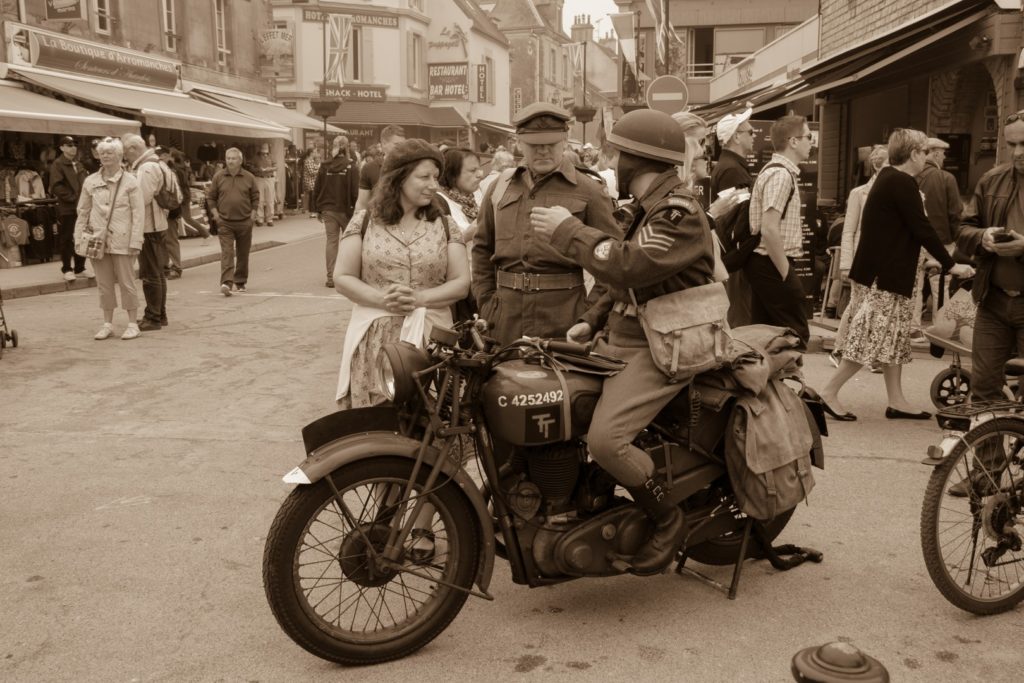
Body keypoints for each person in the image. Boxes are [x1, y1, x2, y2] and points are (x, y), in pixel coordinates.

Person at [529, 109, 715, 576]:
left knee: (606, 441)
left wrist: (567, 231)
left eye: (618, 153)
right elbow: (622, 286)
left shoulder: (679, 213)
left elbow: (631, 265)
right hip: (625, 338)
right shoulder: (644, 206)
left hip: (663, 345)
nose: (613, 161)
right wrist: (591, 322)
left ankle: (666, 517)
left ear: (639, 158)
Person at [818, 129, 974, 422]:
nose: (928, 158)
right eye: (925, 152)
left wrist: (926, 260)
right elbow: (922, 227)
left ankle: (897, 400)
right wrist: (950, 263)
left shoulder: (889, 178)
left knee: (894, 338)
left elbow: (898, 230)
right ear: (914, 153)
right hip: (886, 277)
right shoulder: (902, 182)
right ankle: (828, 391)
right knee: (870, 338)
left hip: (883, 273)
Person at [333, 138, 469, 407]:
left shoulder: (445, 224)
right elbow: (343, 277)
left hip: (431, 341)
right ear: (399, 177)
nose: (434, 185)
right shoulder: (364, 221)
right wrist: (383, 299)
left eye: (436, 177)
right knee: (379, 423)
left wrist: (419, 298)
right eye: (424, 177)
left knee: (431, 423)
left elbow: (461, 282)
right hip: (376, 341)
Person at [471, 102, 619, 345]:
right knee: (500, 382)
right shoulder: (499, 187)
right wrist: (487, 302)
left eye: (551, 144)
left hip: (563, 317)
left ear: (565, 141)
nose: (543, 152)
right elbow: (481, 249)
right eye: (535, 145)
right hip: (505, 319)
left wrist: (589, 316)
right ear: (518, 143)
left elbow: (612, 262)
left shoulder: (589, 190)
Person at [950, 111, 1024, 496]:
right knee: (983, 388)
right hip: (994, 300)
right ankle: (985, 473)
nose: (1017, 152)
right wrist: (983, 237)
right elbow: (961, 230)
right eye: (1011, 144)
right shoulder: (992, 180)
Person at [743, 115, 813, 344]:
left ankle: (764, 380)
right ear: (793, 141)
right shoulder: (781, 174)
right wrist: (787, 274)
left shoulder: (777, 171)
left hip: (766, 262)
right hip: (771, 263)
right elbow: (769, 229)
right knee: (795, 335)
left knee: (767, 338)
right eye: (808, 137)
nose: (812, 142)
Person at [75, 137, 145, 340]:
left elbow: (138, 214)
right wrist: (79, 239)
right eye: (102, 152)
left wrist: (136, 241)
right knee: (103, 284)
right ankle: (107, 323)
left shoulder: (130, 182)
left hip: (123, 239)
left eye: (110, 152)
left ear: (119, 156)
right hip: (97, 240)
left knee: (127, 282)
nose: (105, 156)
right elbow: (83, 211)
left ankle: (132, 323)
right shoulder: (91, 181)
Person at [831, 144, 888, 366]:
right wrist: (845, 264)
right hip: (861, 257)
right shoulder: (859, 193)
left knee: (879, 307)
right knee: (857, 305)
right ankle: (841, 348)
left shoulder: (902, 191)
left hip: (886, 259)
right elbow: (849, 229)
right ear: (876, 165)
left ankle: (873, 355)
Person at [711, 108, 756, 326]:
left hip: (731, 257)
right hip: (734, 259)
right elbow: (734, 222)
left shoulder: (731, 166)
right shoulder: (732, 170)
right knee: (738, 320)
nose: (754, 135)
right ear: (736, 136)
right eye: (750, 132)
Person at [915, 136, 963, 332]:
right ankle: (940, 328)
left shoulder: (911, 176)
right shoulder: (946, 178)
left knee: (915, 285)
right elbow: (955, 212)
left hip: (914, 239)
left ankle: (912, 327)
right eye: (943, 154)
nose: (944, 158)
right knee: (940, 284)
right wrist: (955, 239)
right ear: (935, 153)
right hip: (941, 239)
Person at [123, 134, 170, 330]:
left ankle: (153, 316)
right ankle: (160, 314)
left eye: (126, 153)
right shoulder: (155, 163)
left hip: (149, 227)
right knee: (157, 272)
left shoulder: (146, 168)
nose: (126, 157)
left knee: (151, 274)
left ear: (134, 149)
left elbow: (140, 199)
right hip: (156, 224)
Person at [207, 148, 259, 296]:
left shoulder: (249, 177)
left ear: (240, 160)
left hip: (244, 221)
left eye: (233, 158)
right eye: (228, 158)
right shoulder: (218, 177)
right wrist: (216, 216)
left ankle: (240, 281)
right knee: (227, 253)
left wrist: (252, 217)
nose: (230, 161)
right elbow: (211, 197)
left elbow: (255, 197)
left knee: (243, 253)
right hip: (225, 222)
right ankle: (227, 283)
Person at [312, 135, 359, 289]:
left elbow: (317, 187)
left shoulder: (325, 166)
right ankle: (349, 275)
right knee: (350, 242)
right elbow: (354, 191)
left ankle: (331, 277)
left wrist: (317, 209)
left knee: (331, 241)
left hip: (328, 208)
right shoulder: (351, 166)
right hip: (346, 210)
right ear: (346, 148)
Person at [49, 135, 91, 281]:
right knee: (66, 238)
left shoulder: (78, 164)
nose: (73, 147)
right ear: (61, 147)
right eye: (68, 145)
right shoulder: (58, 164)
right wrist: (73, 198)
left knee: (82, 237)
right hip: (67, 208)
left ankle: (80, 267)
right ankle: (67, 269)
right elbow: (56, 186)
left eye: (74, 145)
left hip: (82, 208)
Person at [354, 125, 407, 213]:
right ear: (384, 144)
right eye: (397, 144)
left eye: (404, 145)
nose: (402, 148)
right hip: (378, 221)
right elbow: (362, 203)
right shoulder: (369, 168)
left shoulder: (411, 166)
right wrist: (356, 225)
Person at [437, 147, 482, 242]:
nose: (480, 175)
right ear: (453, 174)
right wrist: (466, 236)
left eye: (479, 169)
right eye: (472, 170)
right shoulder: (439, 202)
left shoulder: (476, 196)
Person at [156, 146, 183, 280]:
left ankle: (176, 267)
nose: (159, 157)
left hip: (170, 208)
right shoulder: (165, 170)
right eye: (158, 154)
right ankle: (165, 267)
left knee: (170, 239)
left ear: (167, 156)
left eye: (161, 155)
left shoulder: (170, 171)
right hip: (163, 208)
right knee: (162, 239)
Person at [254, 144, 277, 226]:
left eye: (265, 151)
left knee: (270, 199)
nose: (264, 153)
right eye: (263, 151)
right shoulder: (256, 157)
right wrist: (259, 169)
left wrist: (269, 169)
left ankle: (269, 219)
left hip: (269, 178)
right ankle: (260, 219)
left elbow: (276, 166)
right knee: (260, 199)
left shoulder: (271, 156)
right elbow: (251, 168)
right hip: (259, 178)